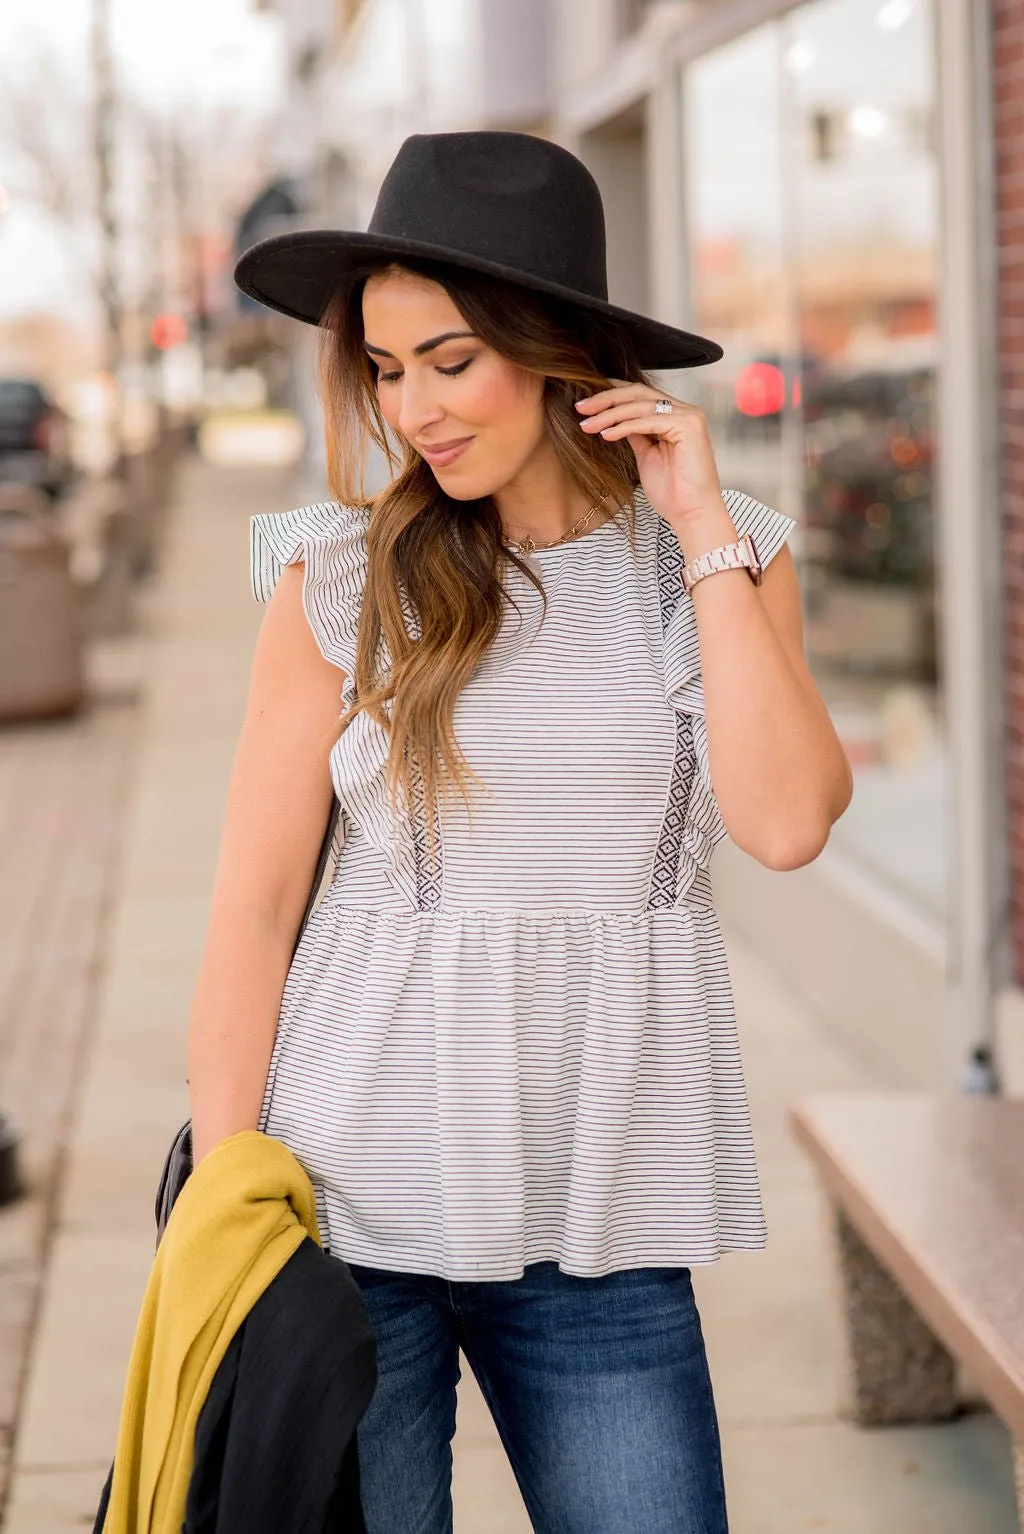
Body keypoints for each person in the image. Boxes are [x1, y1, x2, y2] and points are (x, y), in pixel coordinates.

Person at [188, 131, 853, 1533]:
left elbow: (788, 821)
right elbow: (252, 907)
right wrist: (220, 1198)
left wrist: (701, 522)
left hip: (601, 1218)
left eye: (449, 359)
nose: (412, 407)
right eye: (384, 367)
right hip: (346, 1208)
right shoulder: (336, 574)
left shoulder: (723, 558)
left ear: (554, 347)